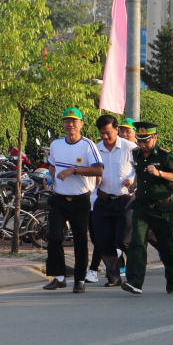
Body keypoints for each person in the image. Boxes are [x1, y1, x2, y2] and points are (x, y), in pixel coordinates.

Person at [42, 108, 104, 293]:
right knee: (54, 237)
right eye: (67, 121)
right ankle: (59, 277)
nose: (70, 125)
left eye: (74, 121)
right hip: (59, 199)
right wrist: (50, 177)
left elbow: (99, 170)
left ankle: (79, 280)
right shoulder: (56, 144)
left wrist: (74, 170)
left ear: (81, 124)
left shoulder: (88, 145)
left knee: (79, 241)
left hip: (80, 200)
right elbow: (52, 164)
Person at [120, 123, 173, 295]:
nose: (142, 145)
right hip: (141, 207)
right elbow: (138, 172)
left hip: (162, 208)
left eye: (146, 141)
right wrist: (134, 185)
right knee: (137, 242)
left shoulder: (165, 156)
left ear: (154, 138)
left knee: (168, 245)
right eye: (140, 141)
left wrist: (159, 173)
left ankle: (171, 276)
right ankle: (135, 281)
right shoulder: (136, 154)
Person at [92, 115, 137, 287]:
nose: (105, 137)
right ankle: (114, 277)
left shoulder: (130, 147)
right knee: (103, 241)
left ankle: (134, 275)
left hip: (125, 201)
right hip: (103, 201)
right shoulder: (95, 149)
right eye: (102, 133)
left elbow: (140, 169)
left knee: (124, 241)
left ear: (116, 130)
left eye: (108, 132)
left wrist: (133, 181)